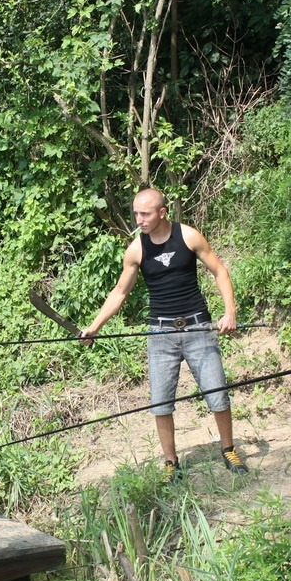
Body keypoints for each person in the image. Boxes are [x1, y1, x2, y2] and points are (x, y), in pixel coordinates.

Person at [81, 188, 247, 480]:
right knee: (160, 402)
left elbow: (219, 271)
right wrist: (95, 326)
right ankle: (171, 464)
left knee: (217, 393)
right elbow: (120, 292)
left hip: (198, 326)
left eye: (145, 213)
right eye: (135, 213)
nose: (139, 219)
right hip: (160, 332)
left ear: (162, 212)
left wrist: (229, 312)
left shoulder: (188, 236)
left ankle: (228, 449)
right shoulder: (136, 249)